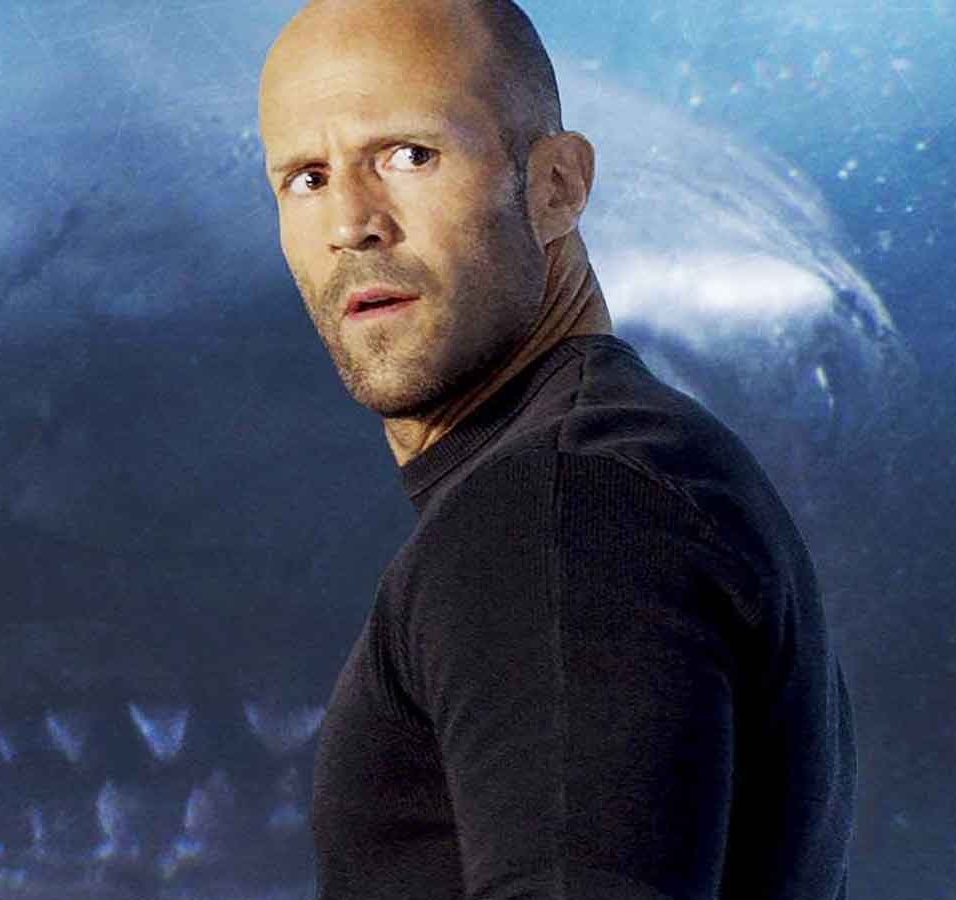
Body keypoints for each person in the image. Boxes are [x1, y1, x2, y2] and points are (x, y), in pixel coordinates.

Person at [256, 1, 857, 897]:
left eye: (410, 155)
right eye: (307, 178)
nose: (352, 221)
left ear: (558, 186)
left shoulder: (562, 508)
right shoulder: (615, 470)